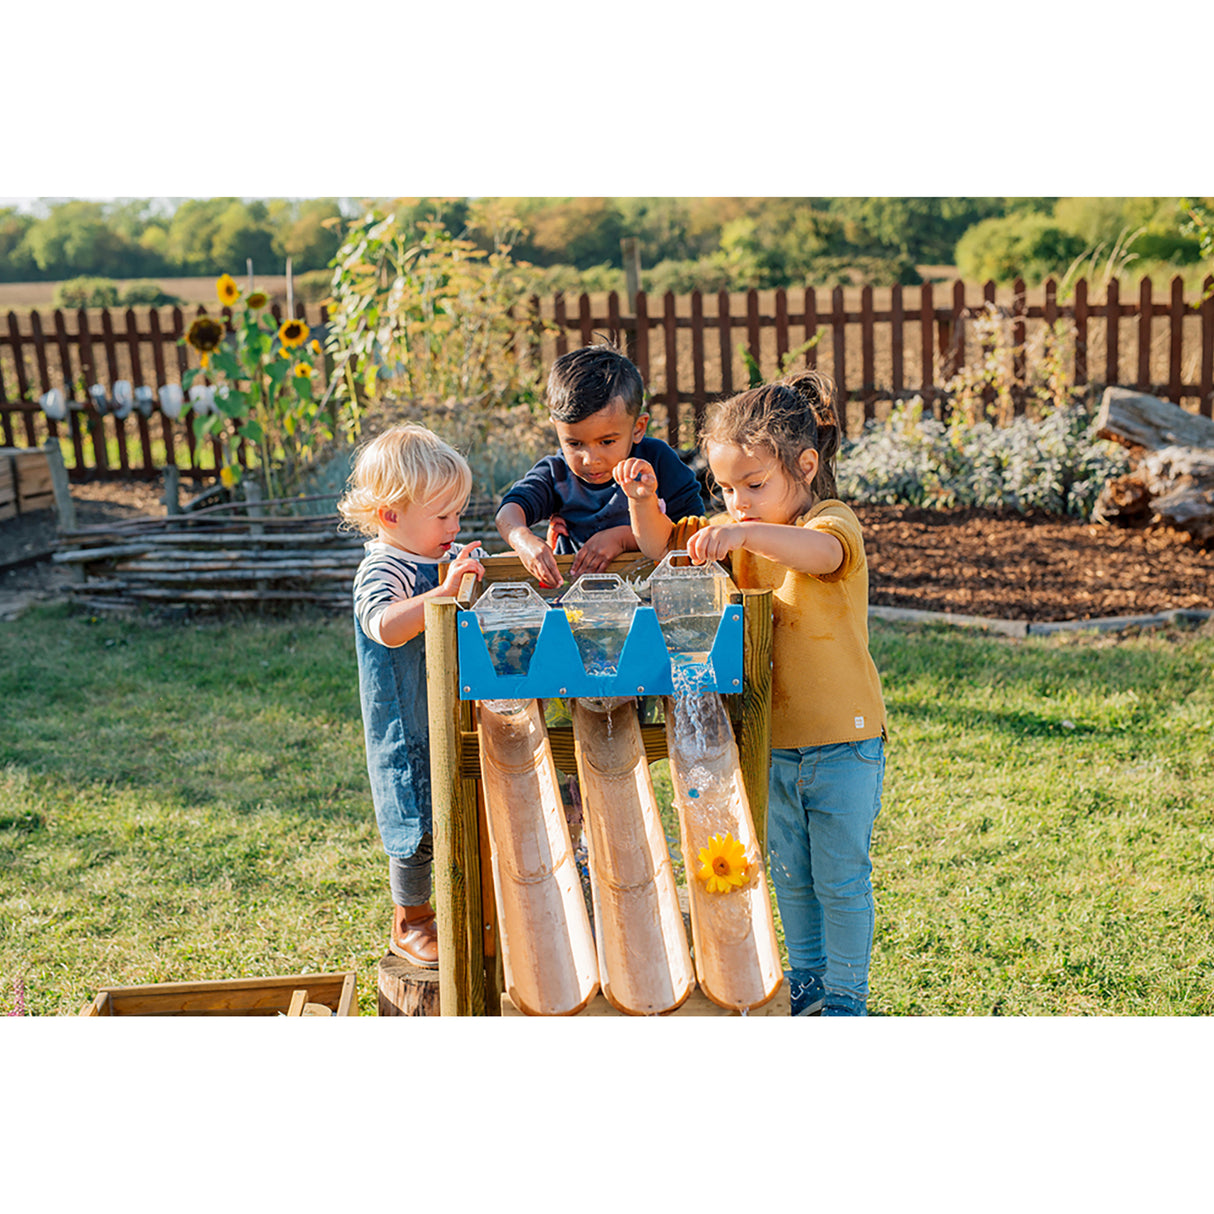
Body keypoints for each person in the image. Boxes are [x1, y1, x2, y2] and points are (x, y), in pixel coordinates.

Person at [616, 370, 887, 1017]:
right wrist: (642, 501)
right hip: (772, 745)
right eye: (727, 489)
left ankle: (848, 1000)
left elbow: (820, 555)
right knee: (792, 877)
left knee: (841, 879)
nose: (737, 503)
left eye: (754, 485)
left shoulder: (828, 522)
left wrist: (741, 534)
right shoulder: (739, 531)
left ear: (806, 464)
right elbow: (661, 542)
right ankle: (810, 983)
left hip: (845, 745)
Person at [338, 424, 485, 969]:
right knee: (413, 817)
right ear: (392, 516)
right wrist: (443, 593)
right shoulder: (382, 568)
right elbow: (386, 626)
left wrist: (461, 574)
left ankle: (458, 902)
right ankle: (411, 919)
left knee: (452, 804)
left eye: (457, 513)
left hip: (441, 709)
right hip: (404, 720)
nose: (455, 525)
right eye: (443, 516)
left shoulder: (428, 557)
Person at [495, 341, 706, 588]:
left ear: (637, 428)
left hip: (654, 594)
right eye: (574, 443)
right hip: (577, 596)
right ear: (557, 429)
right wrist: (523, 540)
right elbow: (508, 512)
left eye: (606, 441)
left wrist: (622, 539)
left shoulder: (656, 461)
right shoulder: (557, 473)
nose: (589, 459)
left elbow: (691, 533)